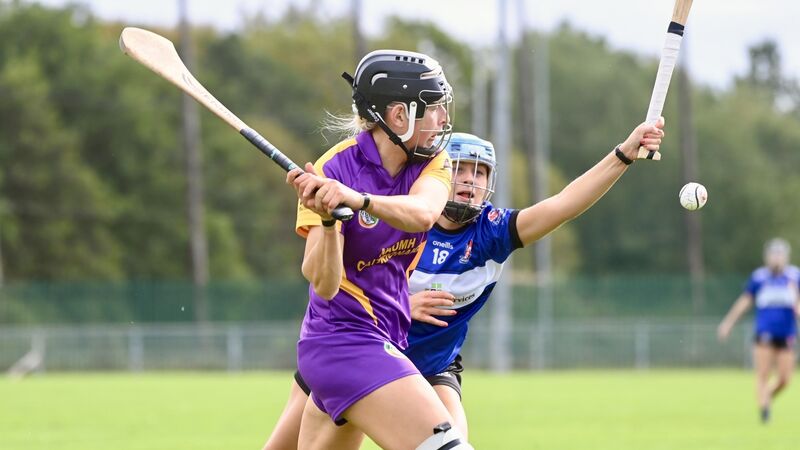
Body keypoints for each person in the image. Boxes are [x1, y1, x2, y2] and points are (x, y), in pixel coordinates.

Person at [266, 119, 666, 448]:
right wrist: (404, 302)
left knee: (452, 442)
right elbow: (338, 280)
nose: (470, 181)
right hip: (358, 349)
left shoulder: (491, 232)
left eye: (481, 172)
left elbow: (561, 204)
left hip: (432, 365)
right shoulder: (398, 220)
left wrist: (623, 154)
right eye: (461, 170)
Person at [279, 48, 476, 450]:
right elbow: (324, 283)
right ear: (398, 115)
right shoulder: (332, 169)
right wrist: (331, 221)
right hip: (342, 341)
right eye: (433, 107)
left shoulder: (432, 162)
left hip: (386, 335)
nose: (442, 118)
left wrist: (359, 201)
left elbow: (422, 214)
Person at [717, 238, 800, 423]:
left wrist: (796, 300)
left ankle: (766, 396)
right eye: (773, 254)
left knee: (785, 379)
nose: (776, 258)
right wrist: (728, 323)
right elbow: (744, 302)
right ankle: (764, 412)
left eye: (780, 254)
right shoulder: (759, 277)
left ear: (786, 257)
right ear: (767, 257)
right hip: (764, 333)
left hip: (787, 333)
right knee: (763, 374)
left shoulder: (795, 277)